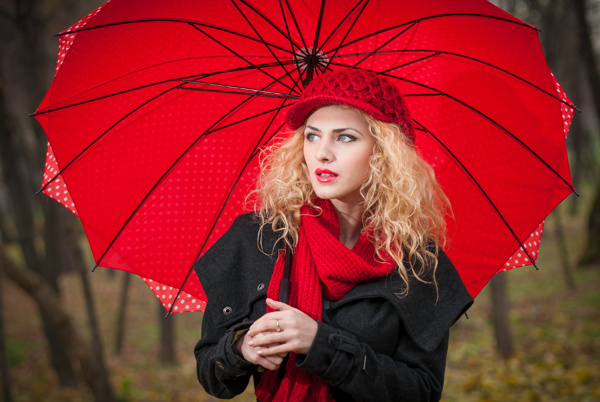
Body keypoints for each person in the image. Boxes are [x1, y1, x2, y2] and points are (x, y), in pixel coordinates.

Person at [193, 68, 473, 401]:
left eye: (344, 137)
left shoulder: (417, 262)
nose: (322, 152)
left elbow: (422, 393)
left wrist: (321, 343)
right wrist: (240, 348)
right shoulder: (258, 237)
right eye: (312, 135)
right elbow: (213, 375)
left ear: (384, 153)